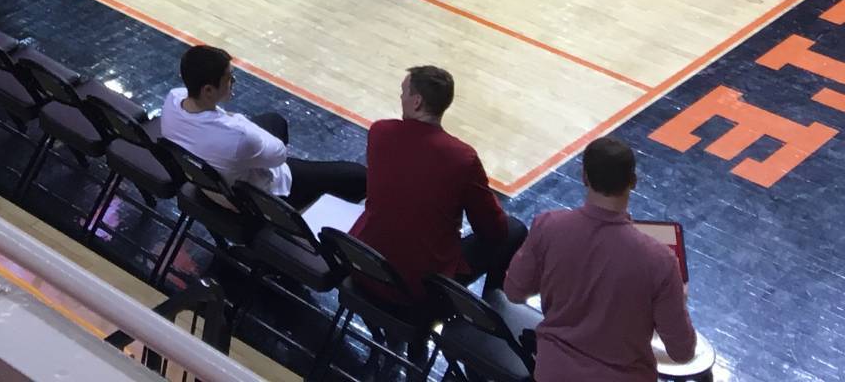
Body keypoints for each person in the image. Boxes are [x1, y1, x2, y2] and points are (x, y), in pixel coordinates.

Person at [504, 137, 697, 382]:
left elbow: (513, 292)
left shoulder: (548, 226)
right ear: (633, 181)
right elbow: (682, 352)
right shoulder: (660, 261)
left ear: (584, 176)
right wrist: (677, 299)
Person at [351, 66, 525, 299]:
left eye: (404, 92)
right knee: (514, 230)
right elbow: (494, 229)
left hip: (364, 263)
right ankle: (491, 311)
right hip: (419, 288)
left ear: (417, 102)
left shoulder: (380, 132)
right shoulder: (462, 158)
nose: (401, 97)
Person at [157, 45, 367, 210]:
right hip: (255, 196)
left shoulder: (173, 98)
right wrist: (239, 120)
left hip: (212, 180)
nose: (234, 82)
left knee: (274, 120)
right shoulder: (239, 135)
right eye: (229, 79)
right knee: (358, 176)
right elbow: (279, 155)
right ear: (209, 90)